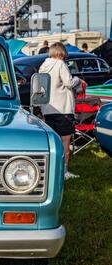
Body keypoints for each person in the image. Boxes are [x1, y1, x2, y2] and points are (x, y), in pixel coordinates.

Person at [39, 42, 87, 180]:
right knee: (65, 141)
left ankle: (51, 171)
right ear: (61, 53)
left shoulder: (43, 66)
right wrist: (78, 80)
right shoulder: (60, 64)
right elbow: (69, 82)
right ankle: (64, 172)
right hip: (63, 108)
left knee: (52, 142)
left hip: (48, 109)